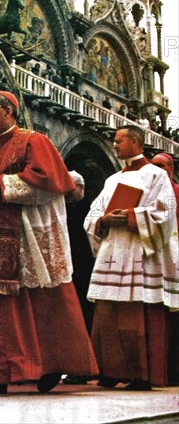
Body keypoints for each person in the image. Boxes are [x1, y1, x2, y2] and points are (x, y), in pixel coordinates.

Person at [0, 90, 98, 395]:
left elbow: (52, 183)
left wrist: (2, 182)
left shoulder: (34, 141)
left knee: (39, 303)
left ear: (9, 111)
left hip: (28, 235)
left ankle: (48, 365)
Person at [84, 125, 178, 390]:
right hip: (113, 251)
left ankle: (141, 374)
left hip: (140, 253)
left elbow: (166, 215)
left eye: (119, 140)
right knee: (108, 314)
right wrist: (104, 219)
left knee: (137, 314)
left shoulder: (156, 175)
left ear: (135, 142)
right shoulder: (112, 179)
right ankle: (111, 371)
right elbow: (93, 214)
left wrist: (130, 216)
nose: (115, 145)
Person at [62, 170, 96, 385]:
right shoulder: (63, 208)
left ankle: (86, 367)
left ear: (81, 187)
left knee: (86, 314)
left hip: (87, 268)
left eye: (69, 188)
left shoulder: (93, 209)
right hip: (69, 269)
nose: (65, 192)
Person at [150, 152, 179, 386]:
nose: (157, 170)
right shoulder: (149, 192)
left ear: (171, 168)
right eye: (154, 166)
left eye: (161, 166)